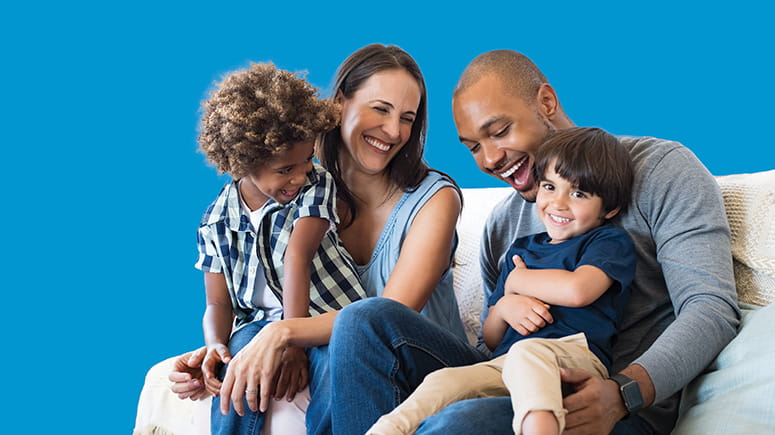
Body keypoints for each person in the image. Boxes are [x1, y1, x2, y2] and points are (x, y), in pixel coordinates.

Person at [326, 49, 740, 435]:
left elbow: (711, 308)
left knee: (458, 421)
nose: (489, 160)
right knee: (363, 320)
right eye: (473, 147)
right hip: (514, 377)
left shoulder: (660, 170)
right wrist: (506, 306)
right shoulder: (503, 223)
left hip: (607, 401)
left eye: (500, 131)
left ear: (545, 102)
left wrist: (624, 393)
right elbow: (495, 340)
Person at [168, 44, 467, 434]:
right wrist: (219, 351)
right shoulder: (292, 188)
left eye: (407, 118)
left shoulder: (434, 199)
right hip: (346, 355)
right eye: (381, 109)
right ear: (339, 103)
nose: (394, 131)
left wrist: (285, 332)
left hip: (425, 358)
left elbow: (385, 318)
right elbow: (240, 294)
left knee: (359, 323)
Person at [367, 127, 636, 435]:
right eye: (549, 187)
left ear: (610, 208)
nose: (558, 203)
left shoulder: (607, 241)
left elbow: (578, 290)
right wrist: (506, 304)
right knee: (444, 381)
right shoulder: (521, 250)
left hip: (574, 358)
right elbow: (492, 338)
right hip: (508, 362)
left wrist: (519, 281)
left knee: (528, 354)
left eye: (578, 194)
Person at [192, 61, 368, 433]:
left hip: (323, 317)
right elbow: (217, 303)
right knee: (237, 363)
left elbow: (297, 258)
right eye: (286, 169)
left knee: (338, 366)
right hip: (256, 325)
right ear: (245, 161)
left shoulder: (316, 185)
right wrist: (213, 346)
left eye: (307, 160)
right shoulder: (215, 220)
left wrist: (292, 345)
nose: (300, 175)